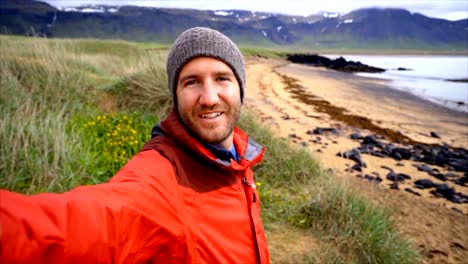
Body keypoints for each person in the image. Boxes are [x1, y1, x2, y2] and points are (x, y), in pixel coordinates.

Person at [0, 27, 270, 263]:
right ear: (175, 96)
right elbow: (81, 227)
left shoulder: (238, 155)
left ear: (240, 88)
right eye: (191, 82)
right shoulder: (163, 177)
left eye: (222, 78)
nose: (209, 97)